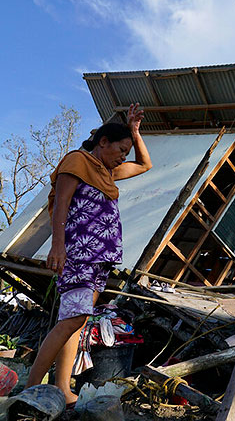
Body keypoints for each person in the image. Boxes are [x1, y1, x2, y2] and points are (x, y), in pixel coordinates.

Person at [25, 103, 152, 407]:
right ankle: (31, 389)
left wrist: (134, 133)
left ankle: (62, 388)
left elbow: (145, 164)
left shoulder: (106, 172)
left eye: (126, 150)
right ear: (102, 142)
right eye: (120, 149)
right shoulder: (78, 161)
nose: (124, 156)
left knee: (76, 321)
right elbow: (61, 204)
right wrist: (58, 246)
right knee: (73, 318)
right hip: (78, 251)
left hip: (99, 256)